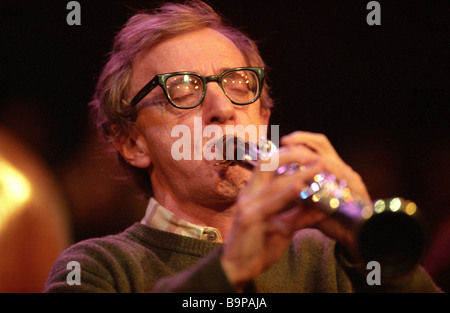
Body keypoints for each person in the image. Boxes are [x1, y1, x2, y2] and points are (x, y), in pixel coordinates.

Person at [43, 0, 441, 293]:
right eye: (182, 89)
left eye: (239, 84)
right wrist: (231, 267)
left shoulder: (334, 256)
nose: (223, 108)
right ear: (132, 142)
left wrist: (379, 250)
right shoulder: (97, 268)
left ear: (264, 119)